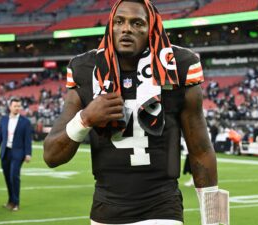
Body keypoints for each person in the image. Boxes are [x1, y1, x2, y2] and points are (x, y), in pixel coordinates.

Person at [44, 0, 228, 224]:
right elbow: (51, 156)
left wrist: (216, 221)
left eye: (137, 23)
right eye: (119, 21)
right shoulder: (85, 69)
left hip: (162, 207)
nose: (126, 28)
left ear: (151, 28)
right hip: (105, 210)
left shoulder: (178, 66)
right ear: (110, 26)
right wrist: (84, 119)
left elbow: (201, 151)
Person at [0, 97, 32, 211]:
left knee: (14, 176)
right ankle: (10, 201)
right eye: (15, 106)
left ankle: (16, 203)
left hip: (18, 153)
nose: (17, 108)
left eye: (19, 106)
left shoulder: (25, 122)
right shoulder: (4, 120)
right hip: (5, 152)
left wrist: (28, 154)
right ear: (10, 107)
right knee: (7, 177)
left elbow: (27, 139)